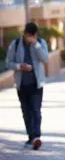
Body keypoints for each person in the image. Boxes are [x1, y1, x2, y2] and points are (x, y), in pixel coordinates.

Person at [6, 22, 49, 150]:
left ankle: (37, 137)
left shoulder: (41, 43)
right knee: (26, 112)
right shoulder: (16, 44)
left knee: (36, 110)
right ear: (24, 34)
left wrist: (36, 44)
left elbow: (45, 59)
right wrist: (20, 66)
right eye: (29, 35)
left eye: (33, 35)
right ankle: (30, 137)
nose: (30, 38)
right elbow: (9, 62)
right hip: (22, 84)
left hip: (37, 84)